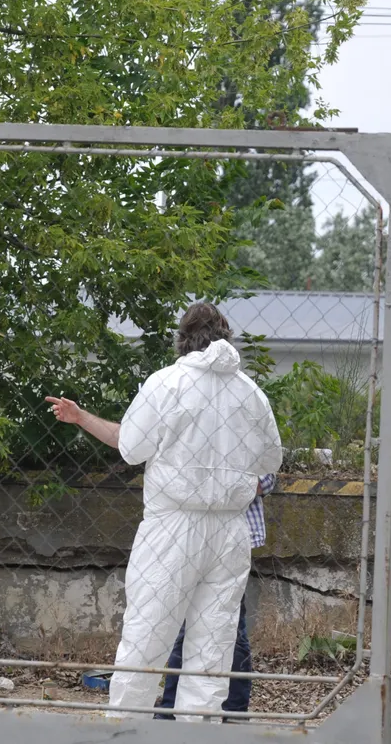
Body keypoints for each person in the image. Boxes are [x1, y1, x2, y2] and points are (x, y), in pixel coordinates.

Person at [45, 302, 282, 720]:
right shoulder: (251, 393)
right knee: (212, 652)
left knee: (146, 639)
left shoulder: (167, 383)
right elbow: (270, 461)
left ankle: (125, 731)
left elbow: (132, 447)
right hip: (229, 530)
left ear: (182, 339)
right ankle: (195, 732)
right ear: (225, 337)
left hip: (173, 525)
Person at [153, 471, 277, 721]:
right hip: (187, 538)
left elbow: (264, 482)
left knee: (230, 628)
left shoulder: (247, 433)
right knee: (182, 626)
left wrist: (212, 484)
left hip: (231, 541)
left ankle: (233, 711)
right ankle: (171, 708)